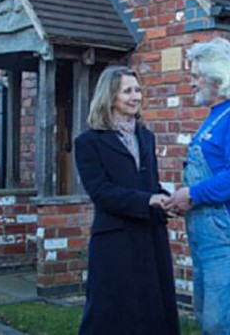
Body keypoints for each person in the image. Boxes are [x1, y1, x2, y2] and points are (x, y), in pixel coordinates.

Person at [165, 37, 230, 335]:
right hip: (211, 238)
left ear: (218, 77)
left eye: (197, 76)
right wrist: (180, 198)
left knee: (225, 325)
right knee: (211, 322)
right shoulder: (217, 116)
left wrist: (193, 194)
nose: (192, 83)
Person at [74, 66, 180, 335]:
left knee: (152, 311)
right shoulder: (89, 142)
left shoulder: (146, 137)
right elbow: (100, 191)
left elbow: (150, 184)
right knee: (112, 314)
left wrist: (168, 202)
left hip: (150, 236)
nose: (136, 97)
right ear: (110, 97)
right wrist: (147, 200)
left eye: (138, 90)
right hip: (114, 240)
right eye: (127, 91)